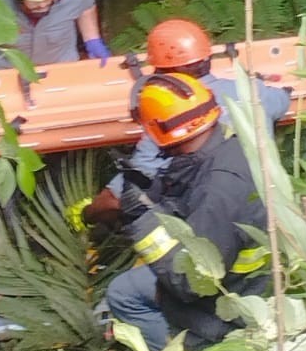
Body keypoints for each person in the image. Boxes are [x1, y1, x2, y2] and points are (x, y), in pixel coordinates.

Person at [104, 72, 271, 351]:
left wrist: (143, 220)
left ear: (155, 130)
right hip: (237, 289)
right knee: (123, 292)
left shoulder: (219, 187)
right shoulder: (229, 146)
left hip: (224, 313)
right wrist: (156, 195)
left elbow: (193, 282)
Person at [79, 18, 290, 227]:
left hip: (206, 220)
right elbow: (282, 98)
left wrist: (87, 215)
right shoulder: (256, 92)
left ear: (161, 73)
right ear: (207, 58)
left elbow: (119, 198)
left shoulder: (169, 120)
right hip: (268, 211)